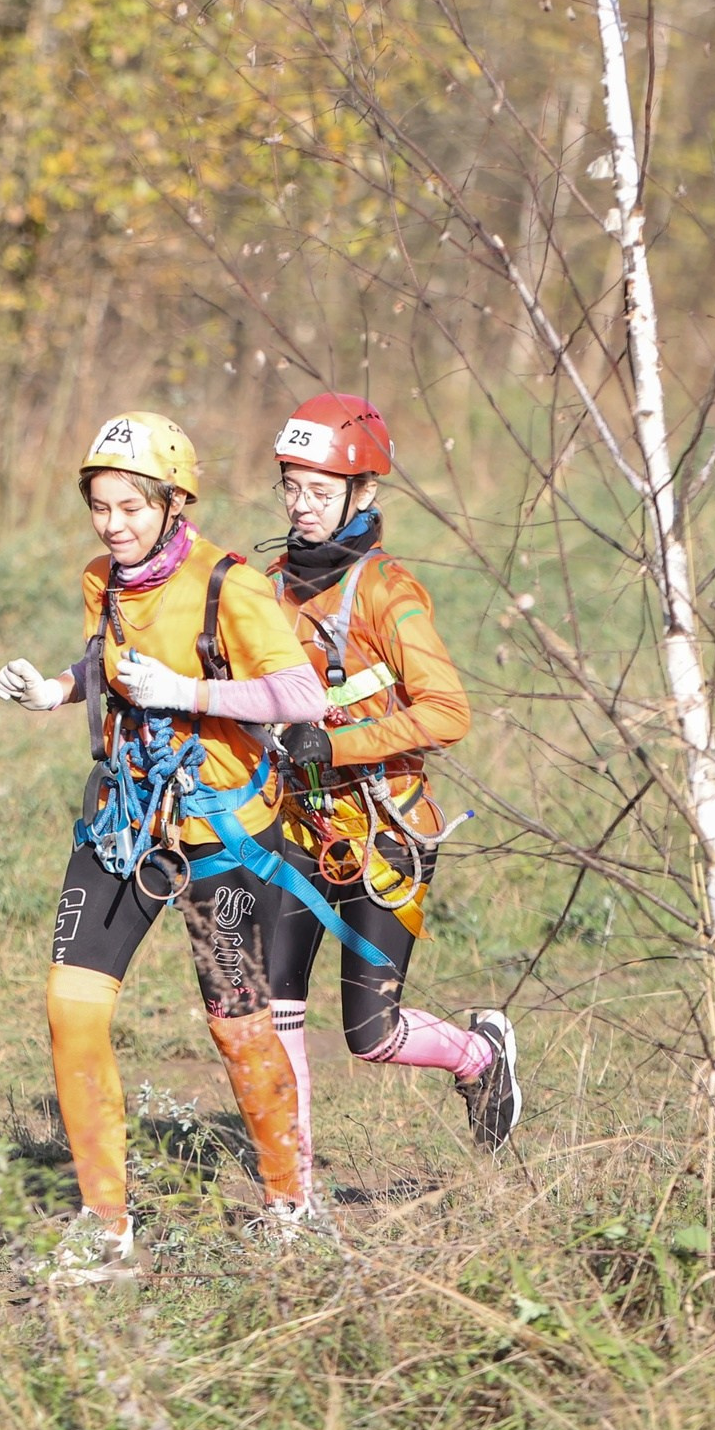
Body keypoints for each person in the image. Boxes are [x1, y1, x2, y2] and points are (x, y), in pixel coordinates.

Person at [0, 412, 331, 1283]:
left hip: (217, 830)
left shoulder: (231, 584)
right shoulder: (101, 579)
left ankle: (292, 1203)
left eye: (132, 507)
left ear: (176, 504)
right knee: (71, 1006)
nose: (114, 524)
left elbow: (300, 694)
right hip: (122, 821)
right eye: (101, 507)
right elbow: (107, 658)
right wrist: (57, 688)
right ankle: (105, 1226)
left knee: (236, 1021)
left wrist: (187, 688)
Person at [261, 394, 519, 1182]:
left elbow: (449, 712)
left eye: (319, 489)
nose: (301, 506)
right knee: (275, 1019)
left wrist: (332, 743)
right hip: (292, 833)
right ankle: (293, 1202)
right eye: (290, 486)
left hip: (386, 838)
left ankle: (481, 1054)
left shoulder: (389, 591)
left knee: (369, 1033)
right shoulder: (267, 585)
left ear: (363, 493)